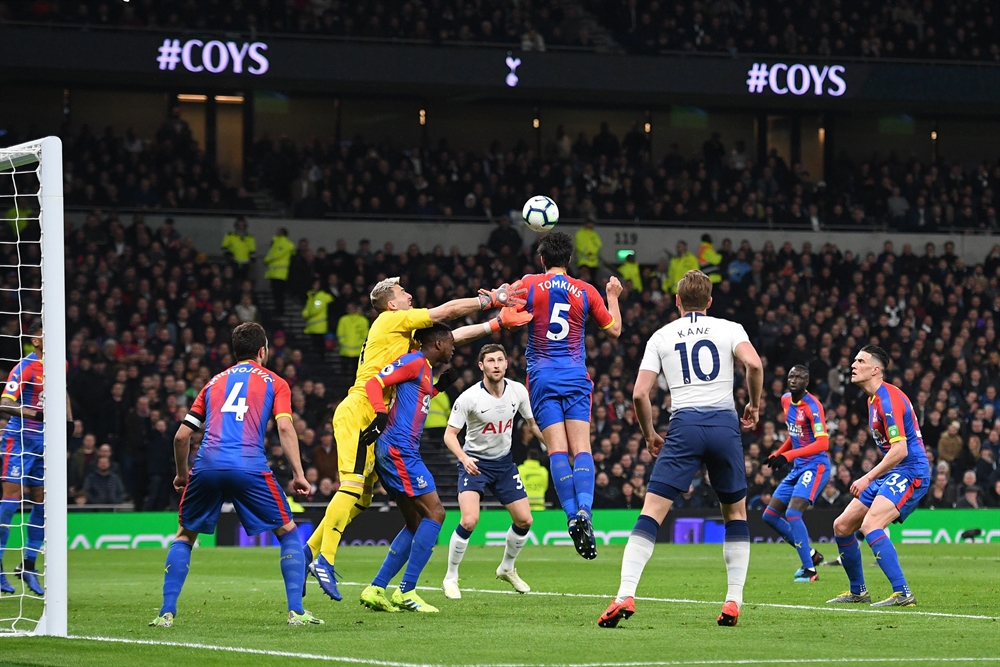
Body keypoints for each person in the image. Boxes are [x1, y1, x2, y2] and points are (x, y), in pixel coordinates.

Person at [305, 276, 529, 601]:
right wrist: (492, 299)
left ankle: (312, 554)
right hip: (363, 410)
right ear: (391, 303)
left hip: (375, 416)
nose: (410, 295)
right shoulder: (391, 319)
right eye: (402, 292)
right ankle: (329, 560)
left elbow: (447, 338)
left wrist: (493, 326)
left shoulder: (408, 344)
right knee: (362, 489)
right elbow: (447, 312)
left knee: (366, 499)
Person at [598, 269, 763, 628]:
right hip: (723, 424)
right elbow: (753, 363)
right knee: (735, 515)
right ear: (709, 302)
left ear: (676, 301)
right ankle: (733, 600)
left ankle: (626, 592)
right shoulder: (730, 328)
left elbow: (640, 393)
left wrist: (649, 434)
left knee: (652, 513)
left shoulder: (661, 336)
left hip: (684, 425)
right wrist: (754, 403)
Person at [149, 322, 320, 627]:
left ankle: (166, 612)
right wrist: (299, 473)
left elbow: (181, 437)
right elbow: (284, 427)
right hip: (249, 465)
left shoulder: (213, 383)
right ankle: (296, 611)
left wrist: (182, 475)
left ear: (234, 351)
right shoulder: (275, 382)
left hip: (207, 465)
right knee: (288, 532)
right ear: (262, 350)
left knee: (185, 536)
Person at [519, 231, 622, 560]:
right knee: (583, 450)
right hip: (575, 376)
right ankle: (585, 514)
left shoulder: (530, 284)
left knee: (557, 451)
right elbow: (615, 330)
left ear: (542, 259)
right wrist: (613, 295)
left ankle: (570, 516)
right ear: (569, 260)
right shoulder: (586, 290)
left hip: (542, 377)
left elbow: (506, 308)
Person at [357, 324, 457, 613]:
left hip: (401, 450)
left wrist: (438, 389)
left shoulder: (424, 368)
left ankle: (376, 588)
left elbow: (415, 401)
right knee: (436, 513)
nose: (453, 347)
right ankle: (407, 590)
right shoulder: (413, 360)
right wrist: (378, 414)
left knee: (415, 522)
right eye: (449, 342)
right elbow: (375, 383)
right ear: (437, 343)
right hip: (399, 449)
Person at [827, 345, 930, 608]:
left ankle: (902, 592)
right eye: (853, 360)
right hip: (893, 471)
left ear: (875, 370)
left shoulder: (888, 399)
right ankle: (858, 591)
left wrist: (867, 477)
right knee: (842, 525)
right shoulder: (872, 400)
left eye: (860, 361)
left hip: (910, 470)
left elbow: (900, 449)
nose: (853, 364)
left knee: (871, 524)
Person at [441, 344, 546, 599]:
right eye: (491, 361)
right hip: (475, 464)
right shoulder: (469, 398)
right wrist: (464, 458)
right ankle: (451, 577)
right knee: (469, 520)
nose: (496, 365)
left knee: (525, 520)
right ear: (481, 366)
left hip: (503, 464)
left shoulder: (518, 391)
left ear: (507, 363)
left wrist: (554, 447)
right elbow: (450, 435)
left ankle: (507, 568)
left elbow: (532, 424)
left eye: (500, 359)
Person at [762, 365, 830, 582]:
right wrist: (779, 453)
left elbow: (823, 442)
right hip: (799, 467)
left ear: (806, 382)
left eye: (799, 377)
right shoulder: (785, 401)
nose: (794, 379)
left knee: (793, 514)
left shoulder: (813, 406)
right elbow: (795, 434)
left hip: (816, 466)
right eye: (791, 375)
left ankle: (810, 571)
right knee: (770, 515)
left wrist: (789, 456)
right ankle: (811, 554)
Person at [0, 322, 53, 596]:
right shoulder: (25, 367)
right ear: (35, 340)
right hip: (19, 439)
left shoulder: (60, 365)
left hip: (46, 443)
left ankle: (28, 565)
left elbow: (61, 394)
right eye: (47, 333)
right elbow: (5, 402)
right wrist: (36, 415)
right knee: (10, 501)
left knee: (44, 503)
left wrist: (66, 424)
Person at [264, 227, 295, 316]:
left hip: (279, 274)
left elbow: (276, 254)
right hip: (275, 273)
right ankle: (278, 309)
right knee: (276, 294)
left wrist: (267, 260)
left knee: (278, 294)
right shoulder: (277, 242)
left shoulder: (284, 243)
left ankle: (280, 310)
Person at [335, 302, 369, 378]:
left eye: (351, 308)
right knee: (344, 371)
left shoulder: (363, 320)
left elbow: (365, 335)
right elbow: (340, 333)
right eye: (348, 308)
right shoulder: (343, 319)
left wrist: (360, 344)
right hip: (345, 350)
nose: (350, 309)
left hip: (357, 351)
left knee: (356, 372)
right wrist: (343, 343)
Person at [302, 277, 334, 355]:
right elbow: (308, 307)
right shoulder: (311, 296)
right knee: (315, 345)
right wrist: (305, 313)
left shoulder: (321, 296)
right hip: (313, 326)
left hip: (319, 327)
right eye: (314, 284)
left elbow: (315, 310)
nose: (315, 286)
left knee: (319, 345)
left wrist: (306, 314)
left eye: (317, 284)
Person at [220, 217, 256, 283]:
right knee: (232, 280)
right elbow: (224, 246)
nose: (240, 226)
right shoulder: (230, 235)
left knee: (244, 281)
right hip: (233, 261)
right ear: (236, 225)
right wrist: (229, 254)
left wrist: (252, 259)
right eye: (239, 225)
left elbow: (252, 249)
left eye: (242, 225)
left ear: (245, 226)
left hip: (245, 262)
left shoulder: (250, 236)